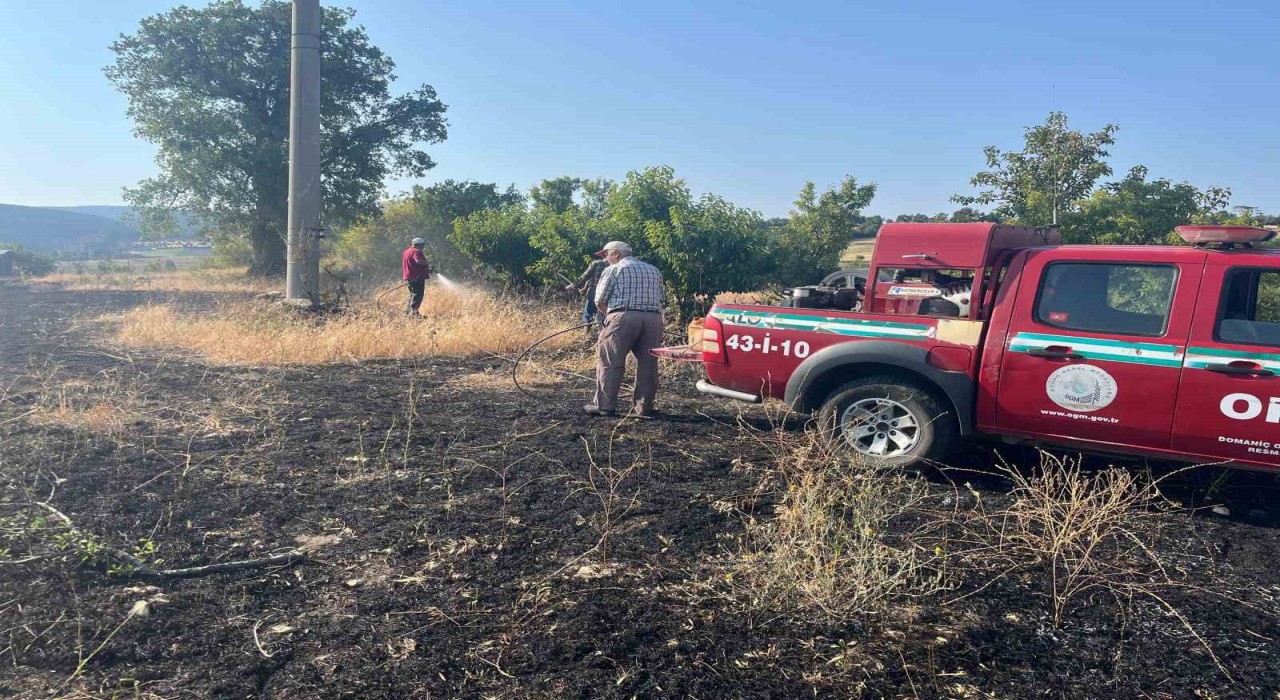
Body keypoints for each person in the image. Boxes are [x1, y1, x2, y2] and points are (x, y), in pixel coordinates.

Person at [584, 241, 665, 418]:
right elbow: (662, 298)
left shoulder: (613, 270)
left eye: (606, 255)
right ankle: (644, 409)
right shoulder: (654, 270)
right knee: (648, 364)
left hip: (623, 317)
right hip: (653, 319)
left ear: (616, 255)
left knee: (610, 362)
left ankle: (605, 407)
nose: (605, 259)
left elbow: (600, 301)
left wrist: (612, 316)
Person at [565, 255, 609, 337]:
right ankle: (604, 333)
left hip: (595, 290)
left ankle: (586, 335)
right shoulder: (616, 265)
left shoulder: (596, 263)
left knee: (589, 312)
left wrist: (574, 285)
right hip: (609, 292)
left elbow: (584, 277)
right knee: (604, 312)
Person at [401, 237, 434, 316]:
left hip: (408, 277)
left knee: (413, 295)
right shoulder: (416, 251)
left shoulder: (406, 252)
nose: (423, 247)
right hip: (416, 277)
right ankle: (413, 314)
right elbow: (418, 261)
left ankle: (408, 312)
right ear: (418, 245)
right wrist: (428, 264)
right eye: (422, 245)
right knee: (418, 295)